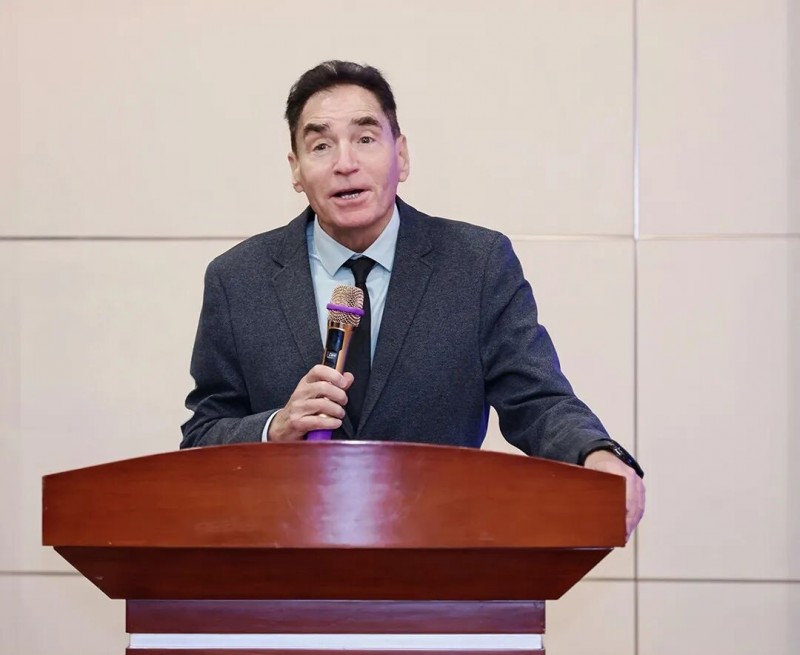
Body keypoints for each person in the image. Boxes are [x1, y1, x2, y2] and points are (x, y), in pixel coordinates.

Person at [181, 60, 645, 538]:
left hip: (440, 555)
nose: (345, 163)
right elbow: (201, 436)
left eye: (365, 139)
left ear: (401, 156)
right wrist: (275, 427)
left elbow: (537, 400)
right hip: (285, 560)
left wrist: (596, 454)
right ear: (296, 170)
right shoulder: (238, 280)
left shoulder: (476, 264)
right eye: (321, 145)